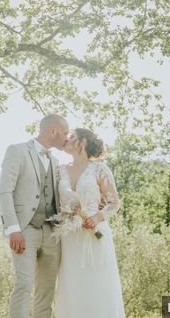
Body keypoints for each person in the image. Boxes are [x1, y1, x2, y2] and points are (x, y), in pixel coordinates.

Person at [0, 113, 69, 318]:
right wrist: (13, 229)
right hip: (24, 231)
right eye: (65, 132)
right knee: (24, 285)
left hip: (52, 233)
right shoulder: (17, 151)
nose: (67, 137)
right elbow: (5, 191)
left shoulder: (56, 161)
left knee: (46, 292)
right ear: (53, 131)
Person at [53, 128, 126, 318]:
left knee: (98, 284)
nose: (67, 140)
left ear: (82, 142)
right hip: (69, 237)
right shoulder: (60, 170)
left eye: (71, 137)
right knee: (73, 286)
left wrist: (96, 218)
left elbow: (114, 203)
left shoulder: (99, 169)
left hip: (95, 234)